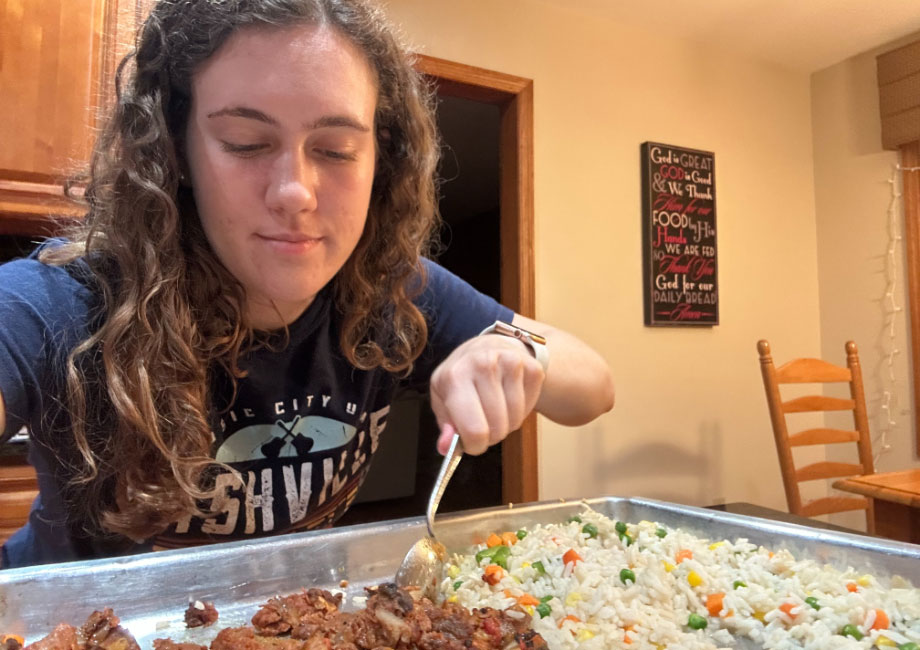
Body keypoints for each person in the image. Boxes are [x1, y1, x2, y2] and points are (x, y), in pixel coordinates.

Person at [0, 0, 614, 568]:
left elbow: (594, 387)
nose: (294, 192)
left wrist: (513, 351)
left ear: (382, 160)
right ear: (176, 151)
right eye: (245, 143)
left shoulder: (391, 290)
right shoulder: (67, 304)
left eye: (337, 149)